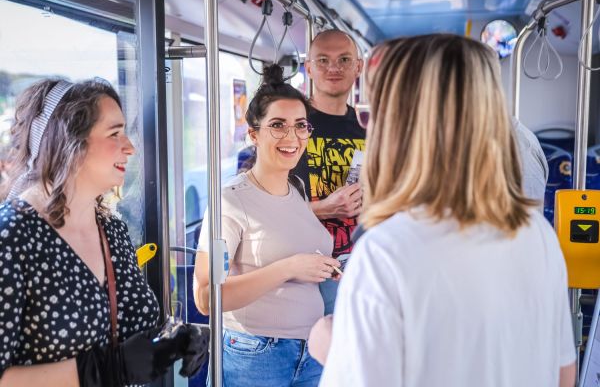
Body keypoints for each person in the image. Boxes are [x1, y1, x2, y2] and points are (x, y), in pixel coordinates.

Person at [319, 34, 576, 387]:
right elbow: (564, 374)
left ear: (401, 123)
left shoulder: (386, 253)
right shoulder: (538, 234)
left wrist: (332, 345)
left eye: (373, 113)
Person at [0, 78, 209, 387]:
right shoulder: (12, 236)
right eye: (115, 133)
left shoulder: (110, 228)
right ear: (68, 141)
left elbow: (128, 331)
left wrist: (176, 338)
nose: (130, 147)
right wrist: (103, 370)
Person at [193, 65, 340, 387]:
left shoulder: (297, 189)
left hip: (311, 351)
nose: (292, 137)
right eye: (278, 126)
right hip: (257, 354)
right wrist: (289, 267)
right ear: (254, 134)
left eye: (301, 126)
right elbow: (206, 297)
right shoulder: (230, 201)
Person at [294, 29, 365, 315]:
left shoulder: (369, 131)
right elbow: (262, 211)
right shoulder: (290, 125)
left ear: (358, 67)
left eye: (344, 59)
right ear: (308, 68)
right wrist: (321, 209)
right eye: (323, 60)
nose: (333, 68)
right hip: (298, 271)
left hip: (354, 267)